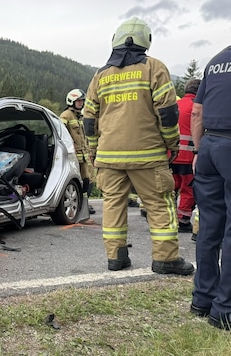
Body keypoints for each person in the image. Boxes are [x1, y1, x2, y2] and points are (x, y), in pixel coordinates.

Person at [83, 17, 194, 275]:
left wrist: (93, 150)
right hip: (149, 156)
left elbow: (89, 119)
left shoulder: (100, 75)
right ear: (146, 41)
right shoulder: (154, 68)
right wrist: (172, 143)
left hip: (109, 157)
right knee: (159, 204)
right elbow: (167, 113)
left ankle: (116, 258)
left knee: (113, 205)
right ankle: (166, 259)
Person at [189, 45, 231, 330]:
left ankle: (202, 299)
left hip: (209, 147)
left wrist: (198, 150)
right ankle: (225, 309)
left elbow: (197, 111)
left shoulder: (216, 61)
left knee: (209, 227)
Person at [60, 89, 95, 214]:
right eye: (78, 101)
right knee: (76, 182)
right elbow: (61, 135)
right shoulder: (66, 115)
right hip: (74, 157)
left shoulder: (80, 116)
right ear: (71, 101)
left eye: (82, 101)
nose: (81, 103)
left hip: (85, 157)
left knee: (89, 181)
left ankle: (84, 204)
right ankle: (79, 205)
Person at [172, 79, 200, 232]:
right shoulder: (197, 106)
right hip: (188, 156)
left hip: (172, 155)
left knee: (172, 187)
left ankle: (169, 217)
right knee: (188, 189)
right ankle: (183, 220)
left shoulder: (176, 104)